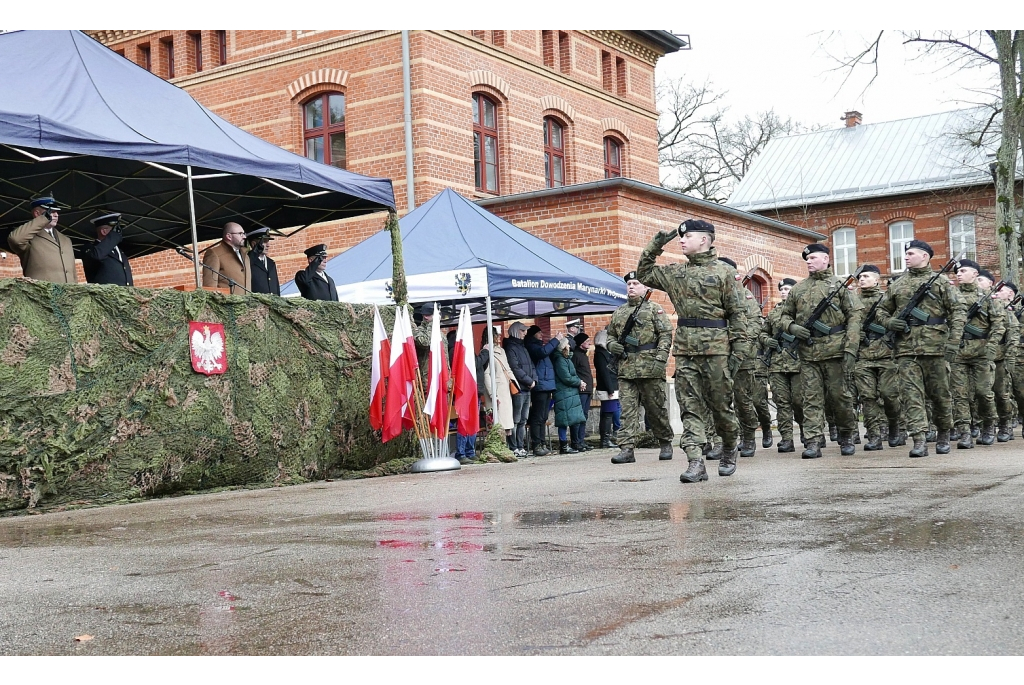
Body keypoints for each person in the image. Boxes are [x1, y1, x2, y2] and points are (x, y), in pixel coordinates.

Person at [637, 219, 750, 482]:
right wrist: (656, 245)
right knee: (690, 407)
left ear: (704, 240)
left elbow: (738, 315)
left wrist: (739, 353)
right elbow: (644, 274)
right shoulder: (677, 273)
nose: (682, 240)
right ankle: (695, 461)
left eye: (687, 236)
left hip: (717, 351)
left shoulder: (724, 273)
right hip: (686, 350)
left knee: (721, 407)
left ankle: (729, 448)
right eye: (680, 237)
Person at [875, 239, 965, 457]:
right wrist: (889, 323)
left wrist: (953, 342)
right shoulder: (897, 284)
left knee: (940, 396)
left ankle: (943, 433)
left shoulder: (941, 283)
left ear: (925, 256)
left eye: (911, 253)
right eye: (905, 254)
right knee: (911, 395)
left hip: (936, 348)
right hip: (906, 349)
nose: (906, 257)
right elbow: (880, 311)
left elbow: (958, 311)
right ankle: (919, 439)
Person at [779, 243, 863, 459]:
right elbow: (784, 315)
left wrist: (851, 348)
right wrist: (792, 327)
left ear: (826, 259)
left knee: (840, 397)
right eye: (807, 259)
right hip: (808, 353)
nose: (809, 261)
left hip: (836, 350)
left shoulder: (839, 286)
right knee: (810, 398)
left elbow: (854, 317)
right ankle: (813, 440)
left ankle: (846, 434)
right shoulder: (798, 289)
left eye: (813, 258)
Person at [606, 271, 674, 464]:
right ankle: (627, 449)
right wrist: (611, 345)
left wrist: (660, 360)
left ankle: (665, 441)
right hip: (626, 368)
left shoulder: (655, 309)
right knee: (627, 411)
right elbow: (610, 335)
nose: (631, 287)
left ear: (645, 288)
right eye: (629, 284)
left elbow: (665, 335)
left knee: (656, 409)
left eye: (636, 283)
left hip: (650, 367)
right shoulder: (619, 312)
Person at [948, 259, 1004, 448]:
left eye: (963, 271)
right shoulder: (950, 296)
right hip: (958, 353)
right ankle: (964, 432)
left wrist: (992, 345)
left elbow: (998, 325)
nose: (959, 274)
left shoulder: (987, 297)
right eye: (957, 272)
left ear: (975, 274)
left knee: (983, 392)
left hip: (981, 352)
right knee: (959, 395)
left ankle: (988, 426)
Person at [855, 264, 903, 451]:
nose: (862, 279)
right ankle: (874, 436)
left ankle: (894, 425)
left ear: (877, 280)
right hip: (863, 355)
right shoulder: (852, 301)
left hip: (886, 354)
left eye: (866, 276)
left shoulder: (887, 300)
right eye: (860, 277)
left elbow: (898, 322)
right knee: (867, 397)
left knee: (889, 395)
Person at [720, 256, 763, 458]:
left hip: (742, 356)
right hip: (717, 354)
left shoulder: (745, 296)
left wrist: (740, 341)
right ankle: (725, 441)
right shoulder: (714, 296)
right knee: (718, 400)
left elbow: (755, 323)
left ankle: (748, 437)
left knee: (742, 399)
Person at [761, 277, 804, 452]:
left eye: (787, 289)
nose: (784, 292)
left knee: (799, 401)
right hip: (777, 363)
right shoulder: (773, 314)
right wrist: (768, 340)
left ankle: (805, 430)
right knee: (782, 402)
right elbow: (762, 334)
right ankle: (787, 439)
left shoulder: (802, 311)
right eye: (782, 289)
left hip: (798, 362)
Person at [7, 195, 77, 283]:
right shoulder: (29, 237)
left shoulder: (66, 240)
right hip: (43, 294)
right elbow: (15, 239)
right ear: (37, 213)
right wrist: (43, 219)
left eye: (56, 211)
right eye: (51, 211)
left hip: (68, 294)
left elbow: (73, 273)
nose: (56, 215)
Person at [525, 325, 563, 456]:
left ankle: (542, 443)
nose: (541, 334)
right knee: (537, 416)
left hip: (546, 385)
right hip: (540, 386)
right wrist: (555, 340)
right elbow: (543, 352)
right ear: (533, 334)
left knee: (543, 417)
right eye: (538, 332)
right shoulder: (532, 346)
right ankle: (537, 445)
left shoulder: (539, 345)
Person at [503, 322, 537, 457]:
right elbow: (515, 368)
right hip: (518, 389)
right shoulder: (511, 347)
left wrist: (534, 379)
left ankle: (520, 446)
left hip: (527, 388)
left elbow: (531, 365)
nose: (525, 333)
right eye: (522, 331)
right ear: (516, 331)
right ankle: (514, 447)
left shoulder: (522, 346)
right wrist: (529, 381)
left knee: (523, 419)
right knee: (516, 420)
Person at [992, 282, 1019, 441]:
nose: (997, 293)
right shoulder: (989, 306)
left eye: (1001, 291)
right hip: (981, 355)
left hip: (1001, 356)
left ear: (1010, 294)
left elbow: (1013, 335)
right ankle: (985, 426)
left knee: (1002, 394)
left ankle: (1006, 423)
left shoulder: (1009, 311)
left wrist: (1010, 357)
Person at [551, 336, 587, 454]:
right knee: (564, 420)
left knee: (572, 419)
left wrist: (580, 382)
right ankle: (564, 446)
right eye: (567, 344)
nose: (570, 346)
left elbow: (573, 375)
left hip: (570, 392)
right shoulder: (560, 360)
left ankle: (572, 444)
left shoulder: (566, 359)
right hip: (564, 393)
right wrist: (578, 382)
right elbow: (566, 377)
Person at [482, 326, 516, 451]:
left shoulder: (501, 351)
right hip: (496, 391)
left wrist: (515, 383)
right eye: (497, 334)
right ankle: (497, 448)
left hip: (505, 389)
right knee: (497, 421)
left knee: (506, 422)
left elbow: (507, 368)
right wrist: (492, 393)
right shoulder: (486, 351)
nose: (499, 336)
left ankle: (505, 447)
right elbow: (486, 374)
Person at [81, 212, 134, 286]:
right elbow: (97, 256)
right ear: (104, 231)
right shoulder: (91, 249)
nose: (118, 232)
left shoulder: (119, 251)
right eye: (115, 229)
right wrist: (114, 237)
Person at [203, 222, 251, 294]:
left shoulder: (245, 255)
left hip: (247, 304)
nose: (244, 237)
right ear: (229, 236)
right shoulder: (214, 253)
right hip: (226, 303)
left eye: (244, 233)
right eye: (240, 234)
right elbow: (210, 288)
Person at [593, 329, 620, 448]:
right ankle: (605, 440)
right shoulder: (600, 353)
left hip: (610, 387)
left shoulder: (604, 352)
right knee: (608, 414)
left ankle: (606, 439)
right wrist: (610, 390)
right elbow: (605, 373)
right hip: (607, 388)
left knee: (608, 414)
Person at [571, 332, 595, 451]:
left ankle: (581, 441)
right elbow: (573, 372)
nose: (589, 343)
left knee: (584, 416)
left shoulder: (583, 355)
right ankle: (576, 442)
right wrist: (580, 382)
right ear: (581, 344)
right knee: (578, 417)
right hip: (581, 390)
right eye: (586, 341)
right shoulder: (576, 355)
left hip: (587, 389)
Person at [246, 227, 280, 296]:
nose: (268, 245)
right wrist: (254, 253)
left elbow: (276, 288)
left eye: (268, 241)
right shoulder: (248, 261)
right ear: (253, 244)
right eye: (264, 242)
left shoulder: (271, 263)